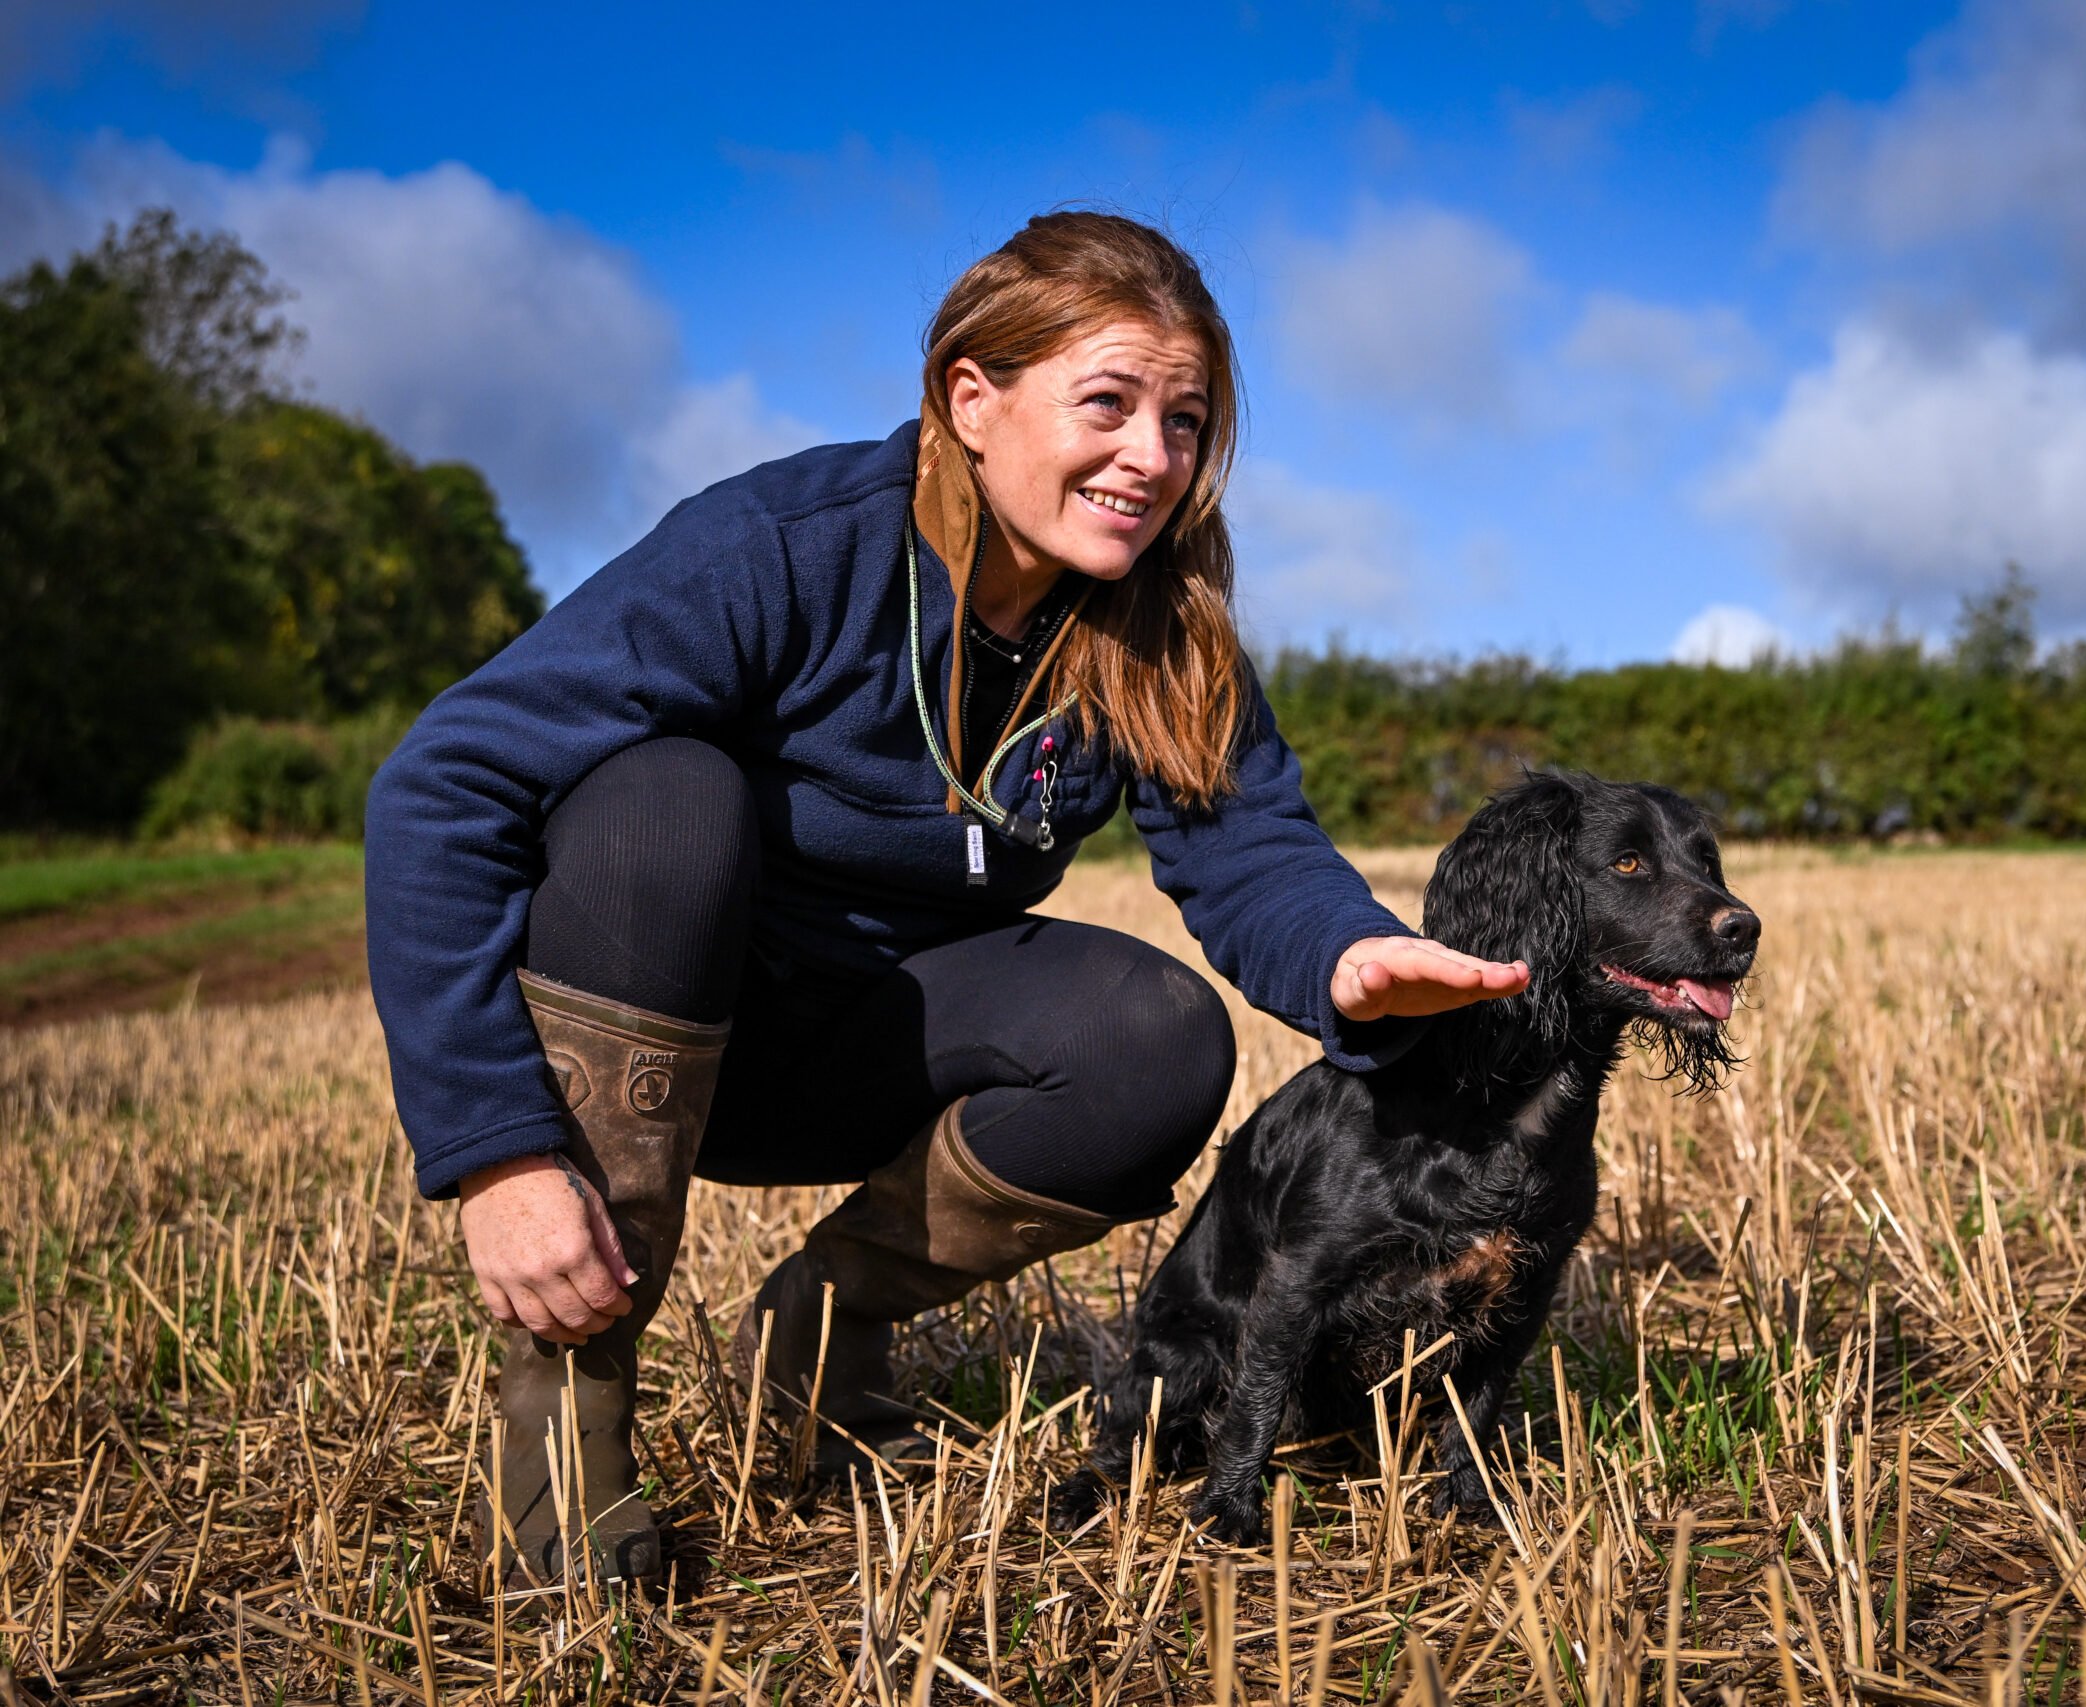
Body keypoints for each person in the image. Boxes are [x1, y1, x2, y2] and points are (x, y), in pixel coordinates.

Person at [363, 211, 1530, 1586]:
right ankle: (563, 1439)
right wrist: (498, 1150)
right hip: (646, 1038)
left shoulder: (1160, 623)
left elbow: (1252, 849)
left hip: (868, 1056)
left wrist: (1349, 957)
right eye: (1107, 404)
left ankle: (822, 1339)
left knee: (1155, 1033)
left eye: (1185, 419)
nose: (1151, 459)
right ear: (973, 399)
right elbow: (441, 787)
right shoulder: (784, 545)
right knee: (664, 799)